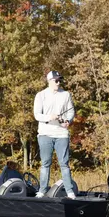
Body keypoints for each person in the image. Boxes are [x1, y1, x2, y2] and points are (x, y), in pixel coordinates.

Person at [33, 70, 76, 198]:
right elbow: (37, 115)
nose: (58, 83)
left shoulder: (66, 95)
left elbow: (71, 112)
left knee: (64, 163)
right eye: (56, 80)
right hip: (45, 133)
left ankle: (70, 191)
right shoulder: (41, 95)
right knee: (46, 163)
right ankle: (42, 190)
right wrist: (50, 117)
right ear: (49, 81)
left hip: (61, 134)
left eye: (59, 80)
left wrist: (68, 121)